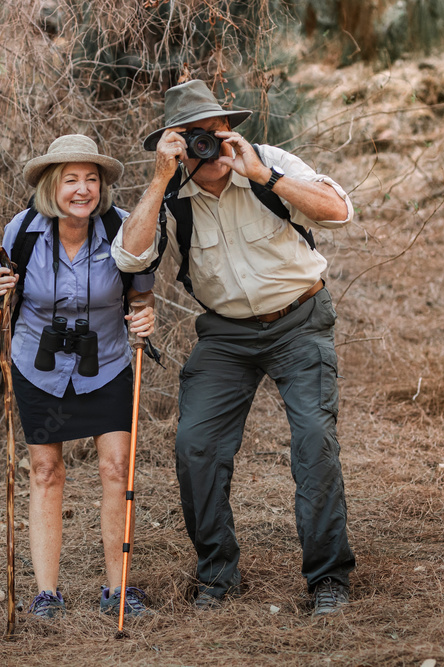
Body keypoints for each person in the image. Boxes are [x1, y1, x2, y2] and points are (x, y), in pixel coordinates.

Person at [110, 80, 356, 616]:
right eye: (192, 138)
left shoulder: (268, 163)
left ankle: (328, 580)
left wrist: (265, 175)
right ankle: (217, 578)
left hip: (299, 320)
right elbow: (130, 259)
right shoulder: (172, 194)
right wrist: (158, 179)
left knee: (314, 439)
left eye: (215, 133)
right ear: (175, 144)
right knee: (195, 445)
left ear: (230, 130)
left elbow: (337, 211)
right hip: (225, 334)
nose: (209, 147)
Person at [0, 134, 157, 620]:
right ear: (50, 186)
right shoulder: (20, 231)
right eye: (71, 180)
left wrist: (145, 318)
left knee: (115, 470)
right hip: (37, 369)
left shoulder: (126, 229)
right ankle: (47, 592)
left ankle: (118, 589)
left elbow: (142, 299)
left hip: (105, 363)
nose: (82, 190)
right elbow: (4, 291)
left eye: (91, 179)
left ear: (102, 186)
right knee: (45, 472)